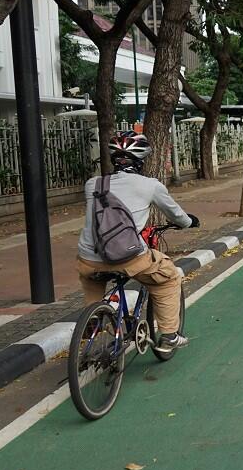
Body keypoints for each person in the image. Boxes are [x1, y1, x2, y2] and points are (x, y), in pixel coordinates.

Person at [76, 131, 199, 352]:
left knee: (92, 280)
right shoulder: (150, 185)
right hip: (128, 256)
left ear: (114, 159)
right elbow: (177, 216)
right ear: (141, 160)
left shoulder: (93, 184)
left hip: (89, 257)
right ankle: (169, 336)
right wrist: (189, 222)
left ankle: (92, 321)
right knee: (169, 278)